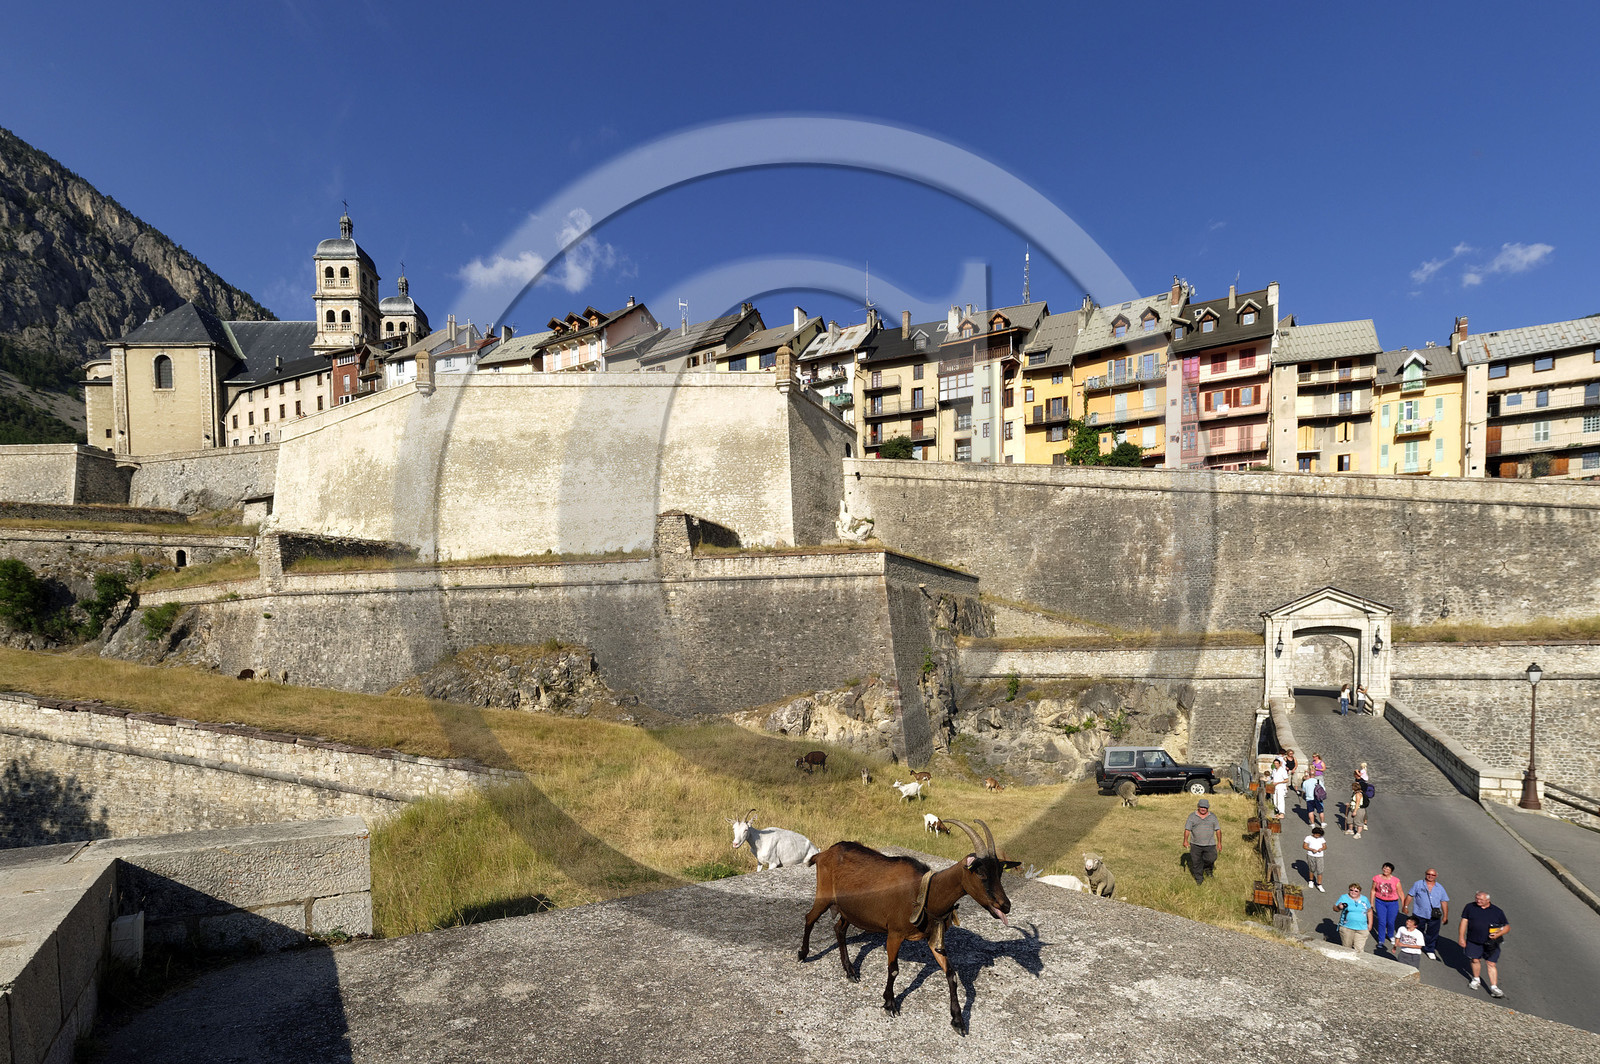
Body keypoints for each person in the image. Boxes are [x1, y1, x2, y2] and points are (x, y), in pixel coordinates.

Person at [1458, 890, 1509, 998]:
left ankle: (1494, 987)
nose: (1478, 901)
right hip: (1473, 940)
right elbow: (1464, 922)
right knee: (1475, 960)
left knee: (1491, 963)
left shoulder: (1497, 911)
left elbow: (1507, 927)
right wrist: (1461, 937)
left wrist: (1498, 934)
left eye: (1481, 899)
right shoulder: (1470, 907)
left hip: (1491, 943)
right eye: (1476, 898)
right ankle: (1476, 979)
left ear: (1488, 900)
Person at [1404, 868, 1451, 960]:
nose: (1430, 876)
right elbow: (1410, 895)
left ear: (1436, 876)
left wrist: (1445, 916)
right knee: (1417, 930)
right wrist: (1405, 906)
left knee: (1432, 933)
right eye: (1428, 874)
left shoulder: (1440, 888)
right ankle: (1416, 946)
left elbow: (1444, 902)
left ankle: (1430, 949)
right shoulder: (1418, 884)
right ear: (1425, 874)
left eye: (1433, 875)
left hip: (1434, 915)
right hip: (1419, 913)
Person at [1182, 797, 1222, 885]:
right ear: (1198, 806)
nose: (1203, 809)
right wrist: (1185, 841)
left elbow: (1218, 830)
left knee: (1211, 858)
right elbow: (1187, 830)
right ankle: (1199, 879)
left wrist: (1219, 843)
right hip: (1195, 844)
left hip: (1210, 844)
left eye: (1205, 807)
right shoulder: (1192, 816)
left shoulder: (1213, 817)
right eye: (1201, 807)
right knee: (1196, 862)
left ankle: (1208, 869)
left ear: (1208, 808)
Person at [1371, 862, 1404, 950]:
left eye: (1388, 869)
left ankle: (1390, 935)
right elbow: (1373, 890)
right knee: (1382, 921)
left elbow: (1400, 892)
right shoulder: (1377, 878)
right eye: (1384, 868)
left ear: (1391, 871)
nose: (1386, 870)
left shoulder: (1395, 880)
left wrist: (1404, 905)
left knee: (1390, 921)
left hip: (1392, 903)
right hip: (1380, 902)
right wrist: (1371, 903)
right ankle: (1381, 940)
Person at [1334, 883, 1373, 952]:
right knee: (1347, 949)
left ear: (1359, 892)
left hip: (1362, 928)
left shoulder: (1364, 899)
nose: (1353, 892)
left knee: (1359, 950)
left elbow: (1369, 911)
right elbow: (1335, 908)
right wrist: (1339, 907)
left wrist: (1370, 924)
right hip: (1347, 928)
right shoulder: (1344, 897)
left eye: (1356, 891)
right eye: (1351, 890)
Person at [1303, 826, 1327, 892]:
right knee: (1312, 869)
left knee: (1320, 870)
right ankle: (1311, 880)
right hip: (1311, 855)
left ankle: (1319, 884)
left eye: (1319, 835)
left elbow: (1325, 846)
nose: (1317, 836)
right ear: (1313, 833)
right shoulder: (1308, 838)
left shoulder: (1321, 838)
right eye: (1317, 835)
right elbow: (1304, 846)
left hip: (1320, 856)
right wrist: (1311, 849)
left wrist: (1321, 849)